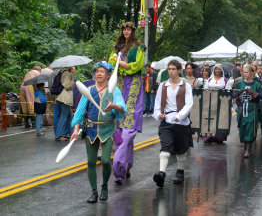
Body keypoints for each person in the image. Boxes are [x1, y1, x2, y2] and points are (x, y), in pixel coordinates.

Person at [70, 61, 127, 203]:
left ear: (108, 75)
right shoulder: (89, 90)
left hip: (108, 129)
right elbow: (79, 112)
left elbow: (122, 108)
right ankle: (94, 192)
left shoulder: (115, 90)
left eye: (102, 71)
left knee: (107, 161)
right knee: (90, 162)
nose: (99, 73)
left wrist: (115, 106)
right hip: (91, 129)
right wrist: (76, 130)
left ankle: (104, 188)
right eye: (97, 71)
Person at [108, 22, 145, 184]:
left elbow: (137, 65)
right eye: (124, 29)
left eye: (129, 29)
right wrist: (117, 65)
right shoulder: (117, 46)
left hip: (134, 84)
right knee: (119, 122)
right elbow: (111, 62)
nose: (126, 31)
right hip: (120, 82)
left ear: (133, 31)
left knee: (129, 122)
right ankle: (126, 165)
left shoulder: (139, 46)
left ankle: (119, 164)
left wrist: (123, 64)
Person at [152, 60, 193, 187]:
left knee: (181, 149)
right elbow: (157, 104)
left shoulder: (186, 86)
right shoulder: (163, 85)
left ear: (179, 70)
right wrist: (159, 114)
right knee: (166, 147)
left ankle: (180, 171)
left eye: (173, 69)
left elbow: (189, 104)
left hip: (181, 122)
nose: (171, 71)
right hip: (167, 121)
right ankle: (161, 174)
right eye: (169, 69)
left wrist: (180, 116)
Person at [234, 65, 262, 158]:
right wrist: (237, 94)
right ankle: (245, 145)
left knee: (250, 128)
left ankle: (248, 149)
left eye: (247, 72)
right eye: (244, 72)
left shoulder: (256, 84)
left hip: (251, 108)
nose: (245, 74)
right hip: (242, 109)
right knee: (242, 127)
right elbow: (233, 95)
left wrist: (253, 92)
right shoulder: (239, 83)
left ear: (251, 73)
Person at [203, 64, 232, 144]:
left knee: (220, 119)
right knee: (211, 118)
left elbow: (228, 92)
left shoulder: (225, 80)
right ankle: (209, 137)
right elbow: (206, 90)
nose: (217, 71)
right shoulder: (209, 80)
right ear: (213, 70)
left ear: (221, 71)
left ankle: (219, 137)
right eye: (216, 69)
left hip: (221, 102)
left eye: (219, 69)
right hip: (211, 102)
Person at [54, 66, 75, 141]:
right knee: (63, 116)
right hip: (65, 98)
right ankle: (58, 136)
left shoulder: (60, 72)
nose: (73, 67)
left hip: (60, 97)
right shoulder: (66, 73)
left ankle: (71, 133)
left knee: (70, 116)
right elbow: (67, 85)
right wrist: (72, 80)